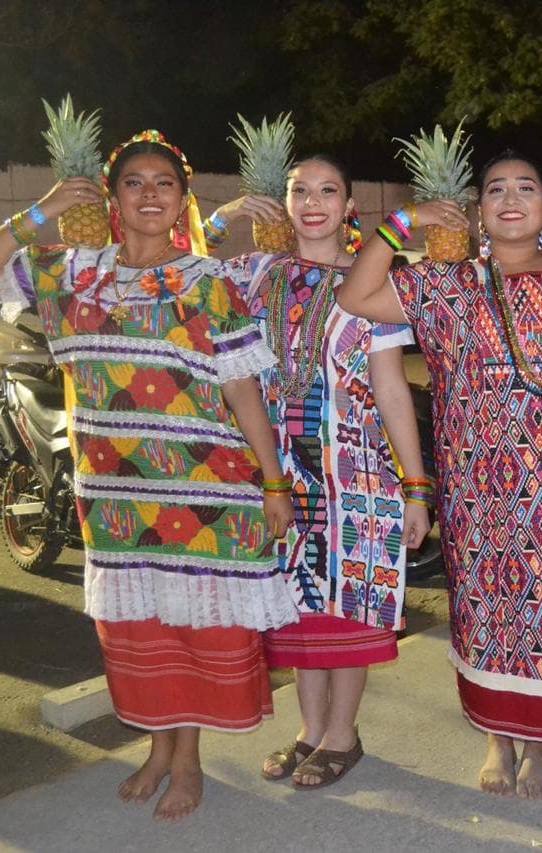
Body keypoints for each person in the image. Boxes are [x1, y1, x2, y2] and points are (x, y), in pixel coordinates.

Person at [0, 130, 298, 822]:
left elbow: (242, 392)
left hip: (206, 491)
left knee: (195, 632)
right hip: (114, 498)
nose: (150, 193)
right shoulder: (74, 271)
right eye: (135, 182)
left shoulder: (210, 282)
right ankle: (157, 748)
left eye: (164, 184)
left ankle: (188, 759)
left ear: (183, 202)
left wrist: (274, 483)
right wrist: (41, 211)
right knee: (138, 631)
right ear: (112, 198)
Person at [337, 151, 542, 799]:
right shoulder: (447, 284)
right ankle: (498, 737)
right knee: (490, 614)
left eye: (527, 186)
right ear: (478, 211)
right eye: (495, 189)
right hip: (483, 495)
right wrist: (402, 222)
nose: (511, 197)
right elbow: (358, 295)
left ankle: (540, 748)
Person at [200, 154, 430, 788]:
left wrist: (416, 487)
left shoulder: (370, 283)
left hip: (356, 476)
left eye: (329, 190)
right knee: (298, 606)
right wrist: (221, 219)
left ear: (349, 206)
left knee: (349, 604)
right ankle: (309, 731)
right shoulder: (253, 273)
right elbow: (185, 272)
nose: (313, 202)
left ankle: (343, 735)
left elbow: (391, 390)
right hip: (281, 477)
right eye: (300, 190)